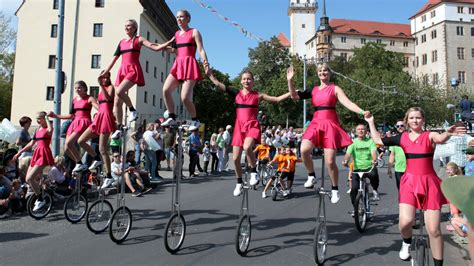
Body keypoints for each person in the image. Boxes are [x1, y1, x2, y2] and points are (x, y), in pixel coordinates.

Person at [365, 107, 465, 265]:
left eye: (418, 118)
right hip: (409, 183)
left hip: (429, 183)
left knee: (434, 230)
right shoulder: (401, 137)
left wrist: (448, 133)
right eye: (411, 118)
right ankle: (406, 242)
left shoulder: (429, 135)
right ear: (407, 120)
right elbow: (378, 141)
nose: (415, 120)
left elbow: (440, 138)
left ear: (423, 120)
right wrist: (371, 122)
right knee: (405, 222)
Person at [287, 64, 370, 204]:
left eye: (325, 70)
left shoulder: (335, 88)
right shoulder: (313, 90)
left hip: (330, 123)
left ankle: (335, 189)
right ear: (317, 74)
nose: (322, 72)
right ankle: (311, 176)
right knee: (304, 150)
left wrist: (362, 112)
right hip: (315, 123)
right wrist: (290, 80)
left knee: (330, 161)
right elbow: (294, 96)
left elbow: (347, 103)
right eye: (320, 71)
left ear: (329, 73)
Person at [209, 70, 291, 196]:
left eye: (249, 79)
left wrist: (291, 88)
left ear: (253, 81)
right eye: (244, 79)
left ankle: (254, 172)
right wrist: (209, 74)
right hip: (239, 127)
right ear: (241, 81)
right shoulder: (236, 93)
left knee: (247, 147)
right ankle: (239, 183)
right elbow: (217, 83)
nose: (246, 81)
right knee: (235, 158)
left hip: (252, 125)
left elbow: (276, 99)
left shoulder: (258, 95)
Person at [100, 19, 174, 132]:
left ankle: (132, 110)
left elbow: (154, 46)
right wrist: (106, 71)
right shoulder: (122, 42)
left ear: (135, 27)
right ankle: (119, 127)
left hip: (132, 70)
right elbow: (114, 59)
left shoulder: (139, 39)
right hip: (122, 71)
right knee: (117, 101)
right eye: (125, 26)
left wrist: (168, 43)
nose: (126, 27)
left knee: (119, 91)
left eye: (129, 25)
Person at [161, 10, 210, 130]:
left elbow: (201, 49)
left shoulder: (194, 32)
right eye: (177, 17)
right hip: (178, 65)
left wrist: (206, 64)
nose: (179, 19)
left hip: (189, 64)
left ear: (188, 18)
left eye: (181, 17)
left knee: (184, 98)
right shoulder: (177, 34)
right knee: (166, 90)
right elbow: (176, 50)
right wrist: (161, 47)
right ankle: (172, 116)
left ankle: (195, 120)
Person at [48, 80, 98, 172]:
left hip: (84, 121)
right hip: (74, 122)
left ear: (84, 88)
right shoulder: (74, 100)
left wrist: (104, 112)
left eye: (79, 87)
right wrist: (55, 116)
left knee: (70, 142)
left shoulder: (89, 98)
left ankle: (92, 158)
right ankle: (81, 164)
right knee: (66, 149)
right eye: (75, 88)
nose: (77, 89)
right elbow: (71, 116)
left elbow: (98, 108)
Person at [78, 72, 116, 189]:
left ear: (109, 78)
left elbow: (109, 98)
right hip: (98, 117)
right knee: (81, 140)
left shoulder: (111, 87)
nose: (104, 79)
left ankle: (109, 175)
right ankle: (96, 158)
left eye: (106, 77)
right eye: (102, 78)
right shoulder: (101, 89)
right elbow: (97, 104)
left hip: (106, 117)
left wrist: (100, 85)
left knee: (102, 149)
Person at [12, 111, 54, 212]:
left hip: (43, 154)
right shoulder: (37, 129)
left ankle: (40, 199)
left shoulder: (47, 128)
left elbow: (50, 130)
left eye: (39, 118)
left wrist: (48, 118)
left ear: (44, 119)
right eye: (37, 119)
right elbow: (31, 144)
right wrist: (19, 153)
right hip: (36, 154)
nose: (37, 121)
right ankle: (40, 191)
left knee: (31, 178)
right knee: (28, 179)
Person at [342, 124, 381, 209]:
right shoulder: (353, 142)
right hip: (357, 169)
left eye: (363, 129)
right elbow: (348, 154)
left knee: (374, 175)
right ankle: (355, 209)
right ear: (356, 132)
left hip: (369, 167)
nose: (361, 131)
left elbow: (374, 152)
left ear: (366, 131)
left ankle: (375, 190)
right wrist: (345, 160)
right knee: (353, 190)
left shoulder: (370, 141)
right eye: (358, 129)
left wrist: (375, 160)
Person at [387, 120, 407, 190]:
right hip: (399, 169)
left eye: (402, 125)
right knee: (401, 189)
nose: (400, 127)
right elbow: (392, 155)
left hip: (410, 169)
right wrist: (389, 169)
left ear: (406, 126)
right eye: (398, 126)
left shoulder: (411, 137)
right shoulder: (394, 139)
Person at [16, 116, 32, 183]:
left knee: (27, 171)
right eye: (29, 122)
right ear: (25, 123)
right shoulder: (22, 131)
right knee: (23, 172)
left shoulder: (26, 131)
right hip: (24, 154)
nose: (30, 124)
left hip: (27, 153)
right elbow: (18, 142)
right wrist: (29, 143)